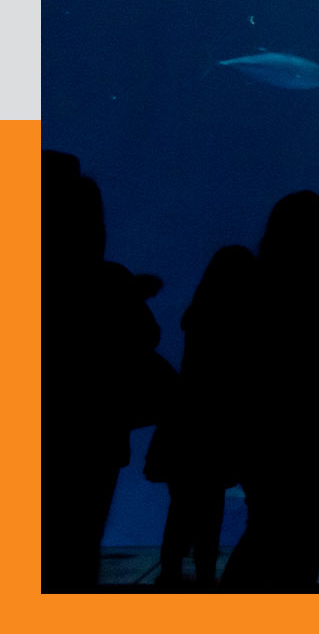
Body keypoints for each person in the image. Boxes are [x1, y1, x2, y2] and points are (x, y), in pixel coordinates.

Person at [222, 192, 319, 589]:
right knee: (305, 535)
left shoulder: (255, 286)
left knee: (265, 527)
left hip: (262, 428)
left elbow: (235, 366)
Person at [42, 150, 174, 591]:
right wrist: (126, 293)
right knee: (78, 540)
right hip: (94, 432)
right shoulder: (107, 280)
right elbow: (145, 336)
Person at [144, 244, 260, 588]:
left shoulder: (198, 314)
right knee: (209, 507)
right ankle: (206, 576)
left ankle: (171, 574)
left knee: (181, 506)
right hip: (216, 423)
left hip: (184, 419)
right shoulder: (241, 317)